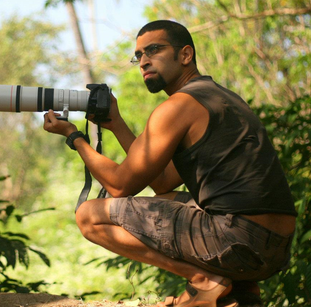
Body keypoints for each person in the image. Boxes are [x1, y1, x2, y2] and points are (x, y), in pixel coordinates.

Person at [43, 20, 297, 307]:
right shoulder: (222, 98)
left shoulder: (178, 106)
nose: (143, 61)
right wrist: (117, 125)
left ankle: (203, 281)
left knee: (89, 215)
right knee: (165, 197)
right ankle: (241, 290)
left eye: (154, 50)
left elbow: (118, 185)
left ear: (185, 55)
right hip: (275, 246)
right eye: (138, 55)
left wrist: (74, 136)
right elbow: (161, 180)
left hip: (236, 239)